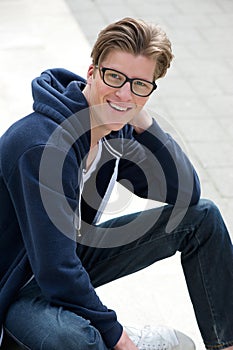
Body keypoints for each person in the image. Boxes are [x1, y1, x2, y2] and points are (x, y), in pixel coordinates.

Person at [0, 17, 232, 350]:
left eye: (140, 84)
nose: (124, 92)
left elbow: (187, 193)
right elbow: (56, 271)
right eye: (115, 77)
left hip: (62, 261)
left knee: (202, 219)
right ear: (92, 73)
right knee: (75, 339)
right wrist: (119, 338)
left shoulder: (113, 132)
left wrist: (142, 119)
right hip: (15, 289)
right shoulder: (40, 146)